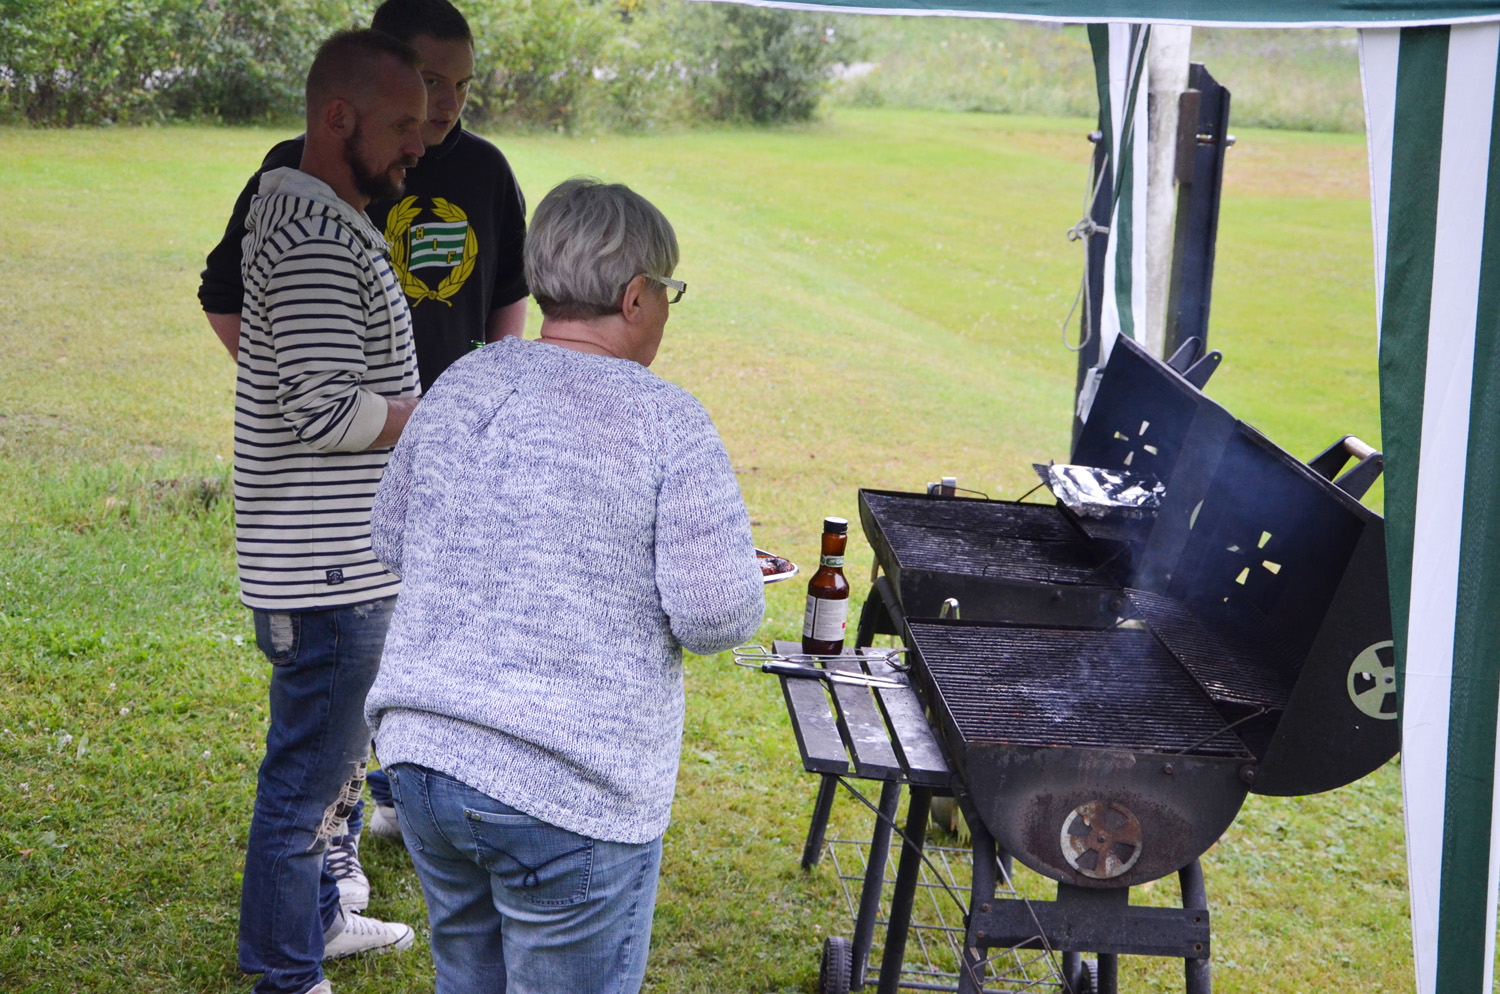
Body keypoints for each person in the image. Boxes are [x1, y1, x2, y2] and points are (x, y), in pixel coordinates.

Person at [362, 178, 766, 994]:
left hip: (425, 762)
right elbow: (718, 614)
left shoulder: (465, 381)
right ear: (634, 297)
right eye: (667, 290)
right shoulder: (666, 420)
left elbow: (391, 537)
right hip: (569, 791)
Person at [199, 0, 527, 905]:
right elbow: (256, 330)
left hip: (409, 471)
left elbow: (506, 297)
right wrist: (331, 395)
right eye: (423, 91)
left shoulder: (480, 172)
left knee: (398, 659)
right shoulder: (303, 194)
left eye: (460, 90)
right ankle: (307, 910)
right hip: (338, 512)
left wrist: (470, 408)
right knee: (328, 708)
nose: (437, 118)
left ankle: (385, 808)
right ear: (367, 91)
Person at [232, 29, 426, 994]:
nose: (418, 145)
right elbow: (320, 408)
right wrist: (435, 419)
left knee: (335, 774)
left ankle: (314, 924)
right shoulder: (314, 236)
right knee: (306, 787)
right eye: (401, 125)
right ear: (337, 117)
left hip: (333, 564)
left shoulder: (312, 211)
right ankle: (284, 970)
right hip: (327, 575)